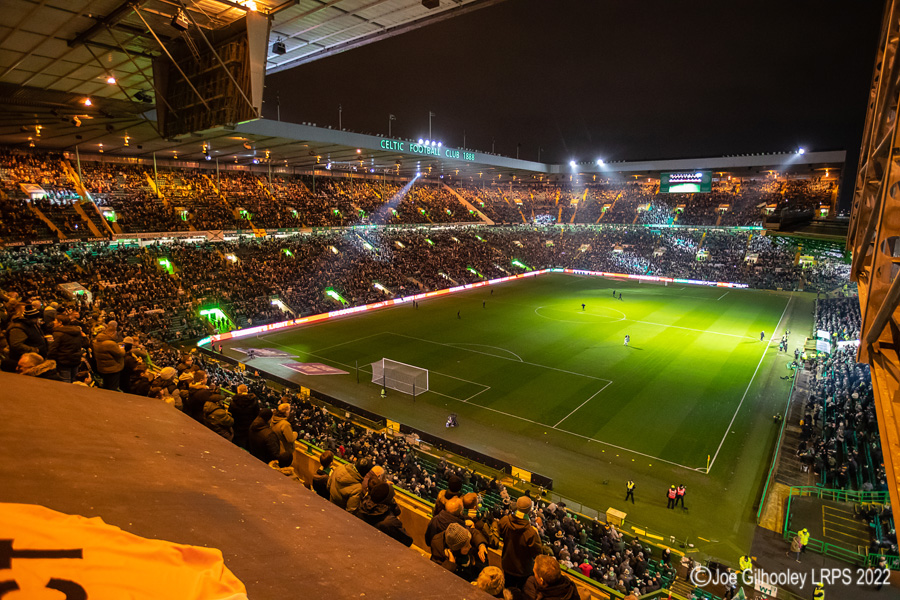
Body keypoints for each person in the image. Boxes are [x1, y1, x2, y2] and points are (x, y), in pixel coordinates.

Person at [498, 496, 543, 590]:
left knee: (508, 591)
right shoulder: (531, 532)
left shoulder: (505, 521)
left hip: (507, 565)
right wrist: (537, 535)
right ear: (529, 510)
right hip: (524, 570)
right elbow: (537, 552)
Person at [93, 321, 125, 391]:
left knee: (106, 386)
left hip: (103, 368)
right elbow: (121, 353)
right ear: (112, 333)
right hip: (112, 369)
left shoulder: (97, 341)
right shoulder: (110, 344)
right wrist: (122, 347)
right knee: (112, 388)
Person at [229, 384, 259, 450]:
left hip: (236, 426)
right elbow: (257, 414)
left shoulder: (234, 402)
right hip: (248, 427)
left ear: (238, 391)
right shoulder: (254, 401)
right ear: (247, 390)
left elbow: (230, 414)